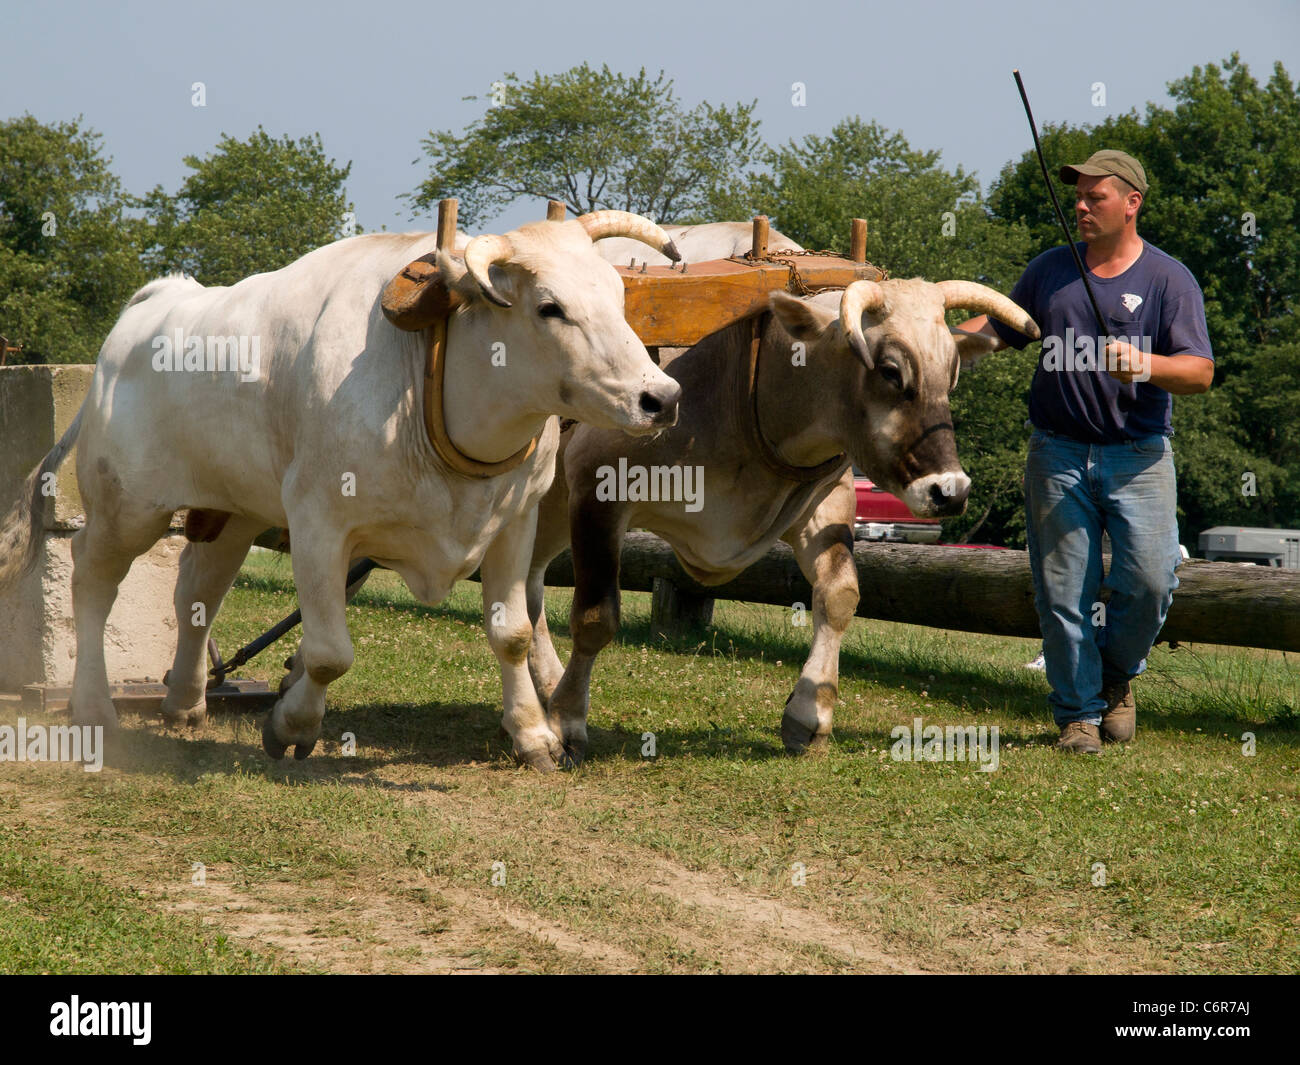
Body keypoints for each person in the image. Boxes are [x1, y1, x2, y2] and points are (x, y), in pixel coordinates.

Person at [957, 149, 1213, 753]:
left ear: (1132, 203)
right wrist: (931, 341)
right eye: (1077, 195)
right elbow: (998, 331)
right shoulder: (1049, 271)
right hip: (1057, 453)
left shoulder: (1168, 279)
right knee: (1061, 588)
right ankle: (1077, 716)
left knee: (1151, 580)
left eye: (1094, 197)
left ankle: (1118, 678)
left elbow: (1200, 372)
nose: (1080, 205)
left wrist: (1147, 365)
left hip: (1140, 455)